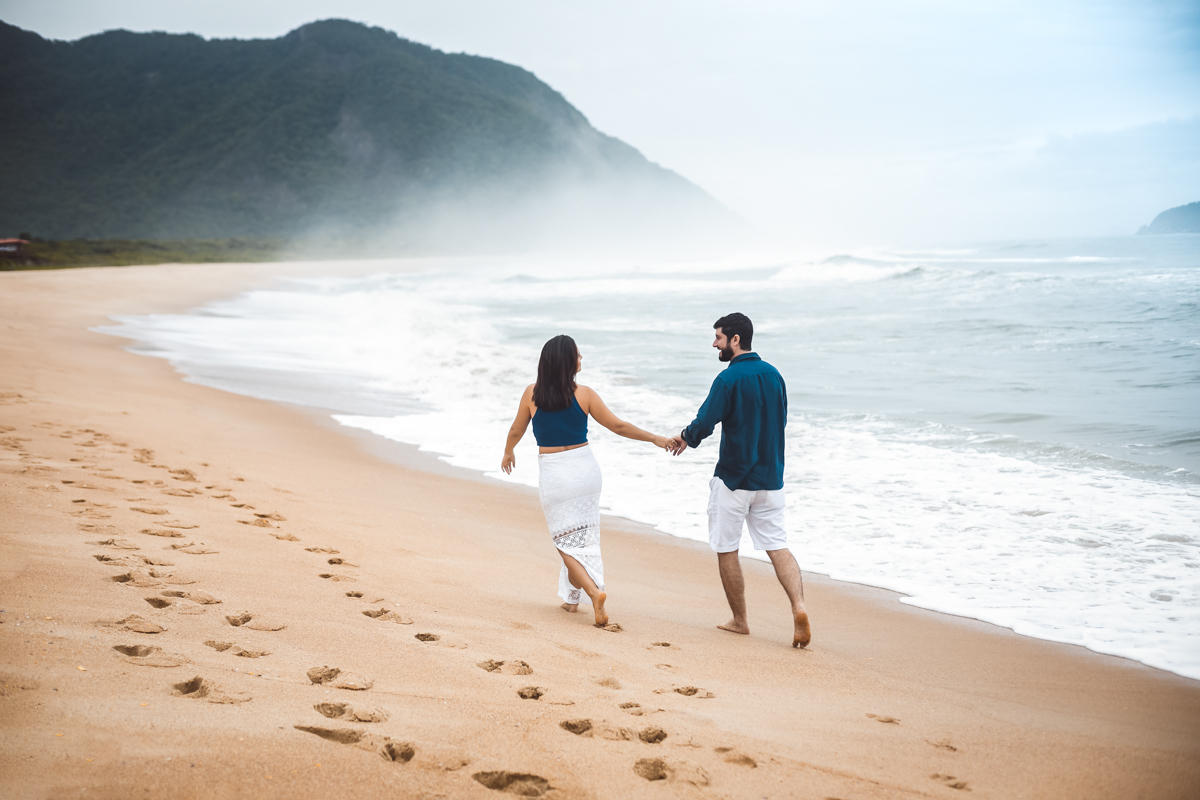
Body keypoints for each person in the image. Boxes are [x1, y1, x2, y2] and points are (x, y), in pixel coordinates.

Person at [503, 334, 672, 629]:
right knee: (580, 537)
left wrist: (508, 451)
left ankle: (594, 593)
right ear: (566, 361)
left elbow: (517, 429)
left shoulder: (532, 393)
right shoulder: (585, 394)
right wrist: (654, 438)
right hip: (586, 472)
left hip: (555, 474)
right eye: (578, 355)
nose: (581, 360)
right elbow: (618, 426)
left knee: (564, 541)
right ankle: (571, 600)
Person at [668, 313, 811, 648]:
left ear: (735, 339)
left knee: (726, 548)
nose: (714, 344)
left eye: (718, 337)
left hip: (734, 479)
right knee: (778, 545)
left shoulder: (728, 378)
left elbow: (706, 421)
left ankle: (740, 621)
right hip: (771, 478)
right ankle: (799, 606)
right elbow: (781, 420)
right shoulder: (775, 375)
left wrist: (685, 437)